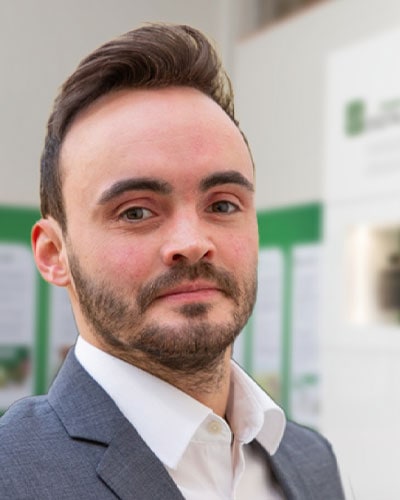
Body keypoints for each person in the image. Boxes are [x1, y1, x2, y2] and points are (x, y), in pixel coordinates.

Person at [0, 23, 344, 499]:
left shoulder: (311, 462)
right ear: (54, 254)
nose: (192, 242)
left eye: (222, 204)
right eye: (136, 212)